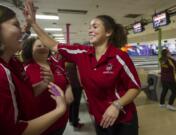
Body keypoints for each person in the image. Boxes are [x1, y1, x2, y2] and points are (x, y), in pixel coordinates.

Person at [25, 1, 141, 134]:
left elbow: (135, 87)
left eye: (95, 27)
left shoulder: (119, 57)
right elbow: (53, 45)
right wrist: (33, 23)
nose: (90, 30)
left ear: (108, 32)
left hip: (123, 118)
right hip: (99, 117)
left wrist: (117, 105)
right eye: (90, 27)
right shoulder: (81, 53)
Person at [0, 4, 67, 135]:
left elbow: (26, 94)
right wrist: (60, 108)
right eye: (15, 24)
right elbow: (13, 131)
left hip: (55, 123)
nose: (21, 31)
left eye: (45, 46)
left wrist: (45, 84)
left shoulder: (13, 62)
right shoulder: (5, 71)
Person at [22, 37, 73, 135]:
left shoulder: (56, 66)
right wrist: (49, 85)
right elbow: (25, 96)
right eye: (38, 46)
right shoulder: (25, 70)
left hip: (61, 120)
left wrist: (69, 89)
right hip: (42, 124)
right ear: (30, 50)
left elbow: (66, 82)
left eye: (45, 45)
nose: (43, 48)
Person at [66, 63, 84, 130]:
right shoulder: (76, 63)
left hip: (71, 85)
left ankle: (71, 119)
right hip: (77, 85)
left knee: (72, 103)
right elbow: (79, 75)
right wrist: (82, 84)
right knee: (76, 104)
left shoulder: (68, 63)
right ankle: (75, 123)